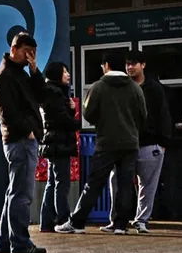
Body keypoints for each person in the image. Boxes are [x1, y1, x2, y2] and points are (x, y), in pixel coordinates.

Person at [59, 49, 145, 235]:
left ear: (106, 66)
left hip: (106, 143)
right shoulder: (135, 88)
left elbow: (88, 114)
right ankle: (121, 225)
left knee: (94, 183)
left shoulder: (98, 87)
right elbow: (143, 115)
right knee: (125, 184)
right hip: (130, 143)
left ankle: (77, 222)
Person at [0, 29, 47, 253]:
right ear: (13, 49)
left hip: (21, 140)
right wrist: (30, 132)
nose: (29, 57)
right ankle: (20, 243)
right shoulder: (4, 76)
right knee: (22, 195)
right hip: (20, 141)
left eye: (33, 53)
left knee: (14, 192)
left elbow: (40, 96)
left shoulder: (20, 73)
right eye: (26, 52)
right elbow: (9, 113)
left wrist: (35, 71)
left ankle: (5, 242)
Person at [126, 49, 172, 234]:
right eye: (127, 63)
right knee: (119, 182)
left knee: (148, 185)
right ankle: (118, 219)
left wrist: (162, 142)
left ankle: (141, 220)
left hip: (149, 142)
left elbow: (163, 114)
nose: (130, 67)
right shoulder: (123, 87)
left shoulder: (154, 88)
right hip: (126, 143)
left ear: (143, 65)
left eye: (134, 63)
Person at [38, 60, 77, 236]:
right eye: (65, 71)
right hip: (58, 142)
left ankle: (46, 221)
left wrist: (70, 110)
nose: (68, 74)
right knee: (61, 183)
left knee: (52, 183)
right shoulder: (55, 94)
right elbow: (61, 119)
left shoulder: (52, 92)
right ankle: (62, 219)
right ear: (56, 75)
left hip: (54, 142)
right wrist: (75, 120)